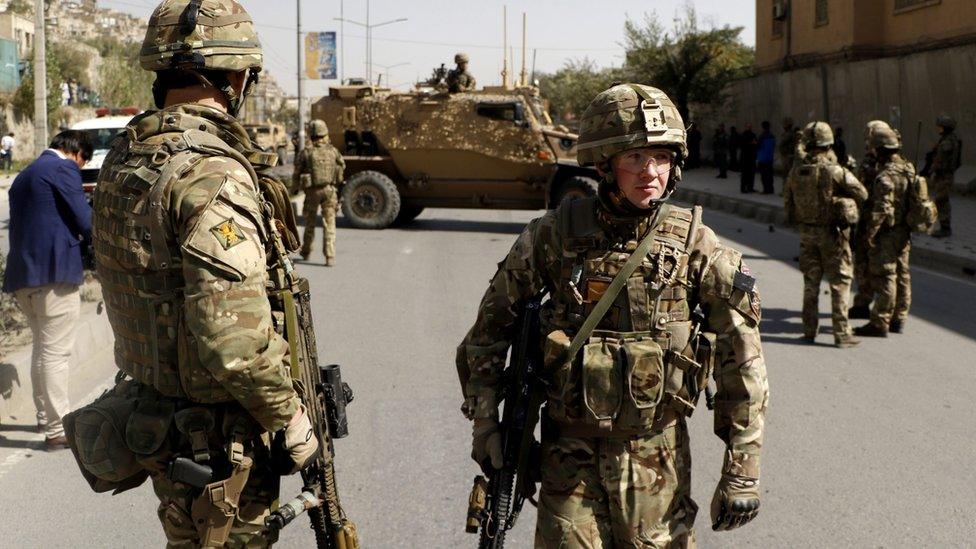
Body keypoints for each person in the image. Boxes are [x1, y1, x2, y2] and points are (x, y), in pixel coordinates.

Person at [458, 83, 768, 546]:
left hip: (656, 457)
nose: (651, 172)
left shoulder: (695, 245)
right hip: (568, 460)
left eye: (662, 157)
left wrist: (743, 469)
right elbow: (487, 335)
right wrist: (486, 424)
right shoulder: (552, 236)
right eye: (635, 158)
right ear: (604, 165)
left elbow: (741, 358)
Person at [86, 1, 318, 545]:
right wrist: (289, 417)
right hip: (219, 440)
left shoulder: (129, 154)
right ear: (237, 77)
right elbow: (231, 339)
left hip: (162, 420)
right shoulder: (211, 172)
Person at [2, 130, 93, 449]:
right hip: (55, 274)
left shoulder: (25, 174)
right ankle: (57, 429)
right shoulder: (63, 167)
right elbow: (85, 220)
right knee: (56, 354)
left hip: (23, 276)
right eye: (82, 164)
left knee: (42, 349)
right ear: (76, 154)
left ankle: (45, 417)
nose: (79, 169)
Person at [783, 121, 867, 348]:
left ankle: (809, 330)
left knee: (811, 284)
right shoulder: (835, 171)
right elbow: (862, 193)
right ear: (828, 144)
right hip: (833, 236)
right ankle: (841, 333)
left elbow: (787, 205)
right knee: (840, 283)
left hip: (807, 235)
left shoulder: (796, 171)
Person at [855, 126, 916, 337]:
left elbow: (882, 209)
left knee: (885, 275)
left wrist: (870, 234)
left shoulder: (885, 175)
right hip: (904, 230)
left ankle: (880, 321)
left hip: (887, 233)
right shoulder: (907, 168)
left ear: (880, 149)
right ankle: (899, 318)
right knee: (903, 273)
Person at [293, 119, 345, 266]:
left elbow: (297, 172)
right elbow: (341, 168)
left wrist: (295, 189)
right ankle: (330, 256)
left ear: (311, 134)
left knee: (310, 223)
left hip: (311, 193)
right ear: (325, 133)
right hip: (329, 191)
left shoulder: (306, 152)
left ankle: (307, 252)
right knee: (329, 224)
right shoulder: (333, 151)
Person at [928, 115, 961, 237]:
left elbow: (940, 159)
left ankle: (945, 228)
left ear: (946, 128)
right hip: (942, 175)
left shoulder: (948, 142)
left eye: (941, 127)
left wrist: (932, 169)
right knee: (941, 200)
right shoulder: (947, 139)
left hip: (945, 175)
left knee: (941, 200)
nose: (939, 129)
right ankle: (944, 226)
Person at [757, 121, 776, 194]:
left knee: (764, 175)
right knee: (770, 174)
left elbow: (758, 146)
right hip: (770, 158)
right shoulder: (772, 136)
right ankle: (771, 189)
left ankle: (766, 189)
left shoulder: (761, 136)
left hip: (762, 158)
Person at [778, 118, 798, 185]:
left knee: (787, 173)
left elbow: (782, 143)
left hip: (788, 156)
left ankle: (788, 190)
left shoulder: (789, 134)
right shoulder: (787, 133)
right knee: (786, 173)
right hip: (786, 155)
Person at [739, 123, 758, 192]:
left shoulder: (753, 135)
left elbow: (756, 143)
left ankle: (750, 187)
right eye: (748, 127)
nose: (749, 128)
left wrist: (754, 143)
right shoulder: (743, 135)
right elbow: (742, 145)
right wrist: (751, 143)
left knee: (751, 174)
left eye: (750, 127)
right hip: (745, 157)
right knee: (744, 174)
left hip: (751, 157)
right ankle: (743, 188)